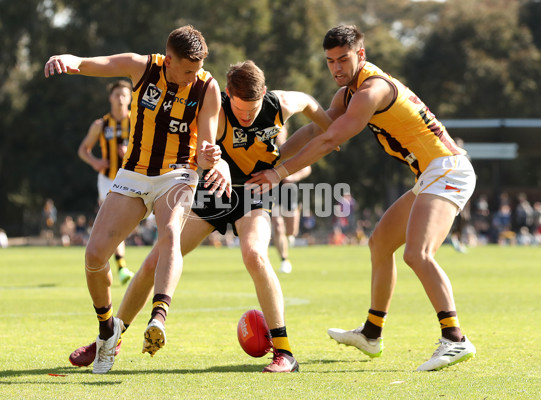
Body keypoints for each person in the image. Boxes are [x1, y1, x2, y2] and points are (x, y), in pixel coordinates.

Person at [68, 60, 332, 373]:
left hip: (254, 195)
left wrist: (329, 131)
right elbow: (187, 142)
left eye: (254, 107)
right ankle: (110, 339)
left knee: (255, 256)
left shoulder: (281, 103)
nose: (247, 116)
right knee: (154, 262)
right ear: (228, 94)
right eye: (241, 108)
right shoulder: (213, 107)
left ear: (264, 92)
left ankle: (285, 352)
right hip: (211, 194)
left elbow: (311, 106)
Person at [247, 25, 477, 372]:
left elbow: (330, 140)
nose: (336, 67)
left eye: (343, 59)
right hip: (431, 174)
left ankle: (455, 339)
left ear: (361, 55)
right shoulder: (347, 93)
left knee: (418, 253)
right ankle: (371, 333)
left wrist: (280, 173)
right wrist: (268, 159)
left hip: (448, 168)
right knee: (381, 244)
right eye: (330, 61)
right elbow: (314, 129)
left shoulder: (372, 90)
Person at [45, 25, 228, 374]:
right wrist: (70, 60)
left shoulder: (207, 87)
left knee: (170, 232)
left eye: (199, 68)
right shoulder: (142, 67)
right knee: (95, 254)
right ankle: (106, 332)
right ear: (169, 59)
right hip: (134, 174)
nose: (194, 75)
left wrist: (209, 157)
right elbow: (95, 64)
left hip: (178, 172)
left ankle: (158, 316)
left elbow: (206, 148)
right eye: (188, 69)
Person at [78, 80, 136, 284]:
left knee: (120, 225)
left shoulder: (138, 121)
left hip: (132, 178)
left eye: (124, 95)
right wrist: (95, 161)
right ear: (110, 98)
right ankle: (120, 266)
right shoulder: (100, 124)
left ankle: (115, 263)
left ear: (130, 98)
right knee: (113, 222)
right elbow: (83, 150)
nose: (120, 98)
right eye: (117, 95)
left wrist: (129, 153)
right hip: (107, 179)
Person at [271, 127, 312, 273]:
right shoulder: (266, 147)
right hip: (271, 188)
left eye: (280, 131)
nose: (277, 134)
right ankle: (284, 260)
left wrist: (292, 177)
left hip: (289, 189)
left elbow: (307, 168)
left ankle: (290, 235)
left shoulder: (294, 146)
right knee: (277, 225)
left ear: (286, 132)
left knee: (291, 230)